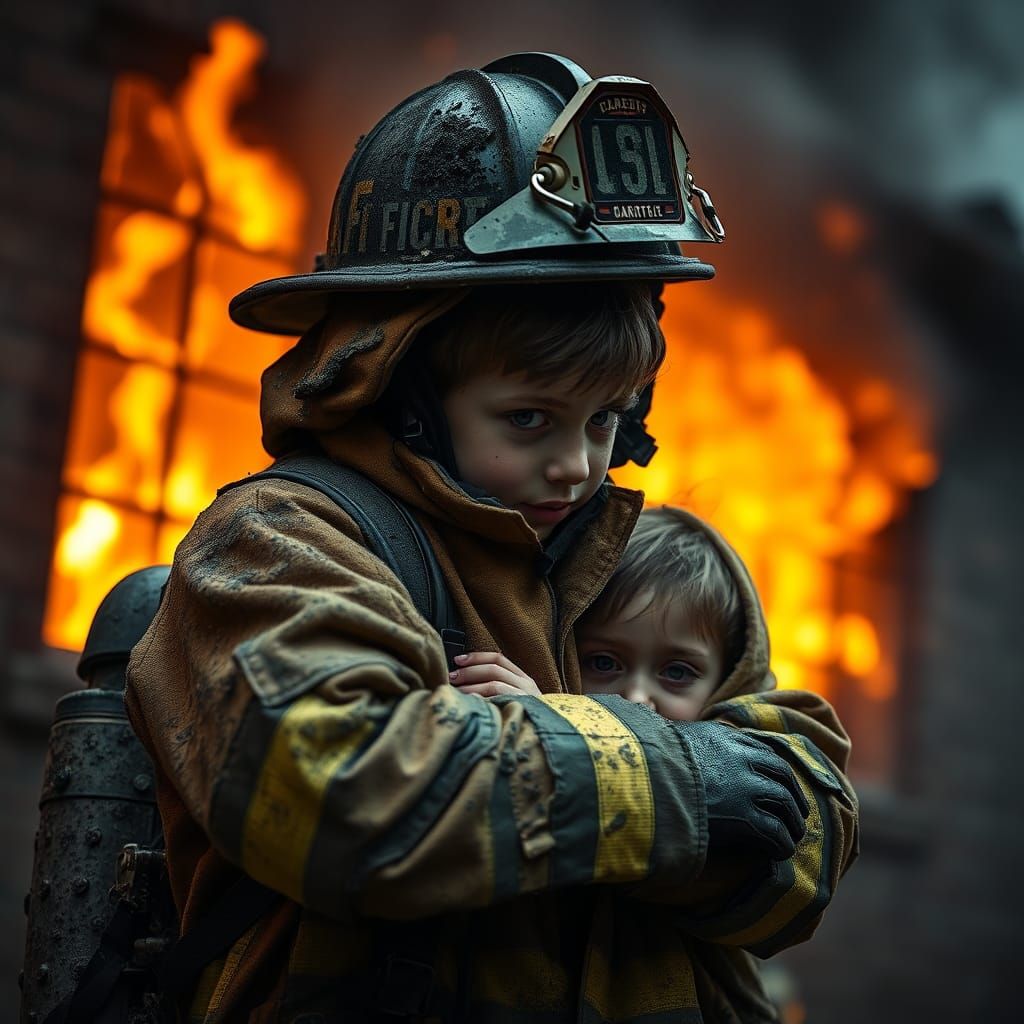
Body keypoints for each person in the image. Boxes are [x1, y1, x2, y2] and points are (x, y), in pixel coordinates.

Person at [125, 53, 858, 1022]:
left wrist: (554, 753)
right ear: (406, 384)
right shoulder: (277, 542)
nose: (577, 467)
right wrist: (666, 780)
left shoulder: (644, 565)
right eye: (529, 419)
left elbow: (798, 831)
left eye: (605, 419)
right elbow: (347, 798)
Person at [452, 505, 857, 1016]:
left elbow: (795, 878)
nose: (638, 696)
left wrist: (560, 723)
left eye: (677, 672)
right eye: (604, 662)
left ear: (728, 677)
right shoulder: (523, 713)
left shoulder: (774, 730)